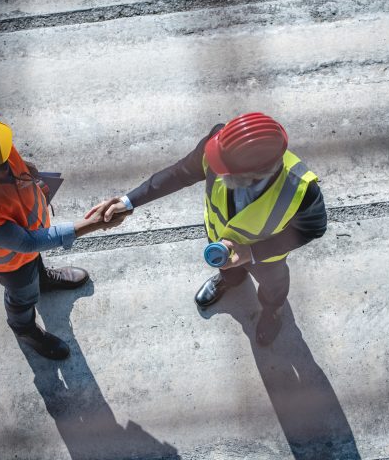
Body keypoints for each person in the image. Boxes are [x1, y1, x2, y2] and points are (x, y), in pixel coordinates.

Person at [87, 112, 327, 346]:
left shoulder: (301, 189)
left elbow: (312, 229)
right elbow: (181, 172)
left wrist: (250, 253)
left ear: (256, 175)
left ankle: (273, 312)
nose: (213, 167)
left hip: (265, 259)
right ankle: (230, 280)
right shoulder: (220, 143)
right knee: (229, 270)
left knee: (273, 289)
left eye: (223, 169)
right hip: (217, 239)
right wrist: (128, 202)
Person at [0, 111, 125, 360]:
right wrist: (93, 223)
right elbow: (27, 242)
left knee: (35, 263)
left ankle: (43, 279)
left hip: (30, 232)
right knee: (22, 294)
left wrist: (26, 169)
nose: (7, 154)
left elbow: (6, 152)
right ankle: (25, 329)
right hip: (8, 263)